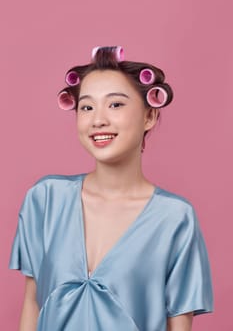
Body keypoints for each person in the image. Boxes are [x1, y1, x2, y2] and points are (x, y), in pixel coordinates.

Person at [9, 46, 213, 331]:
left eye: (115, 104)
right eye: (87, 107)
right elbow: (32, 303)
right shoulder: (45, 199)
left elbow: (178, 325)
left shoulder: (175, 218)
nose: (98, 120)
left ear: (149, 117)